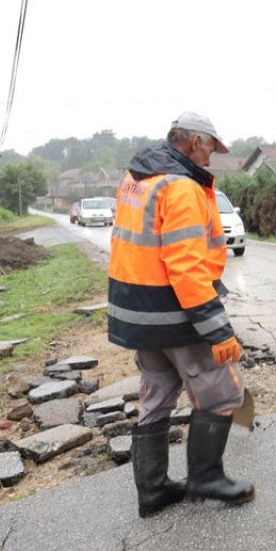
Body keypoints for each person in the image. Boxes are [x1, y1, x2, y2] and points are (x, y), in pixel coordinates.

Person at [107, 111, 255, 516]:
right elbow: (186, 267)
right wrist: (217, 329)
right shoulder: (182, 188)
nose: (211, 158)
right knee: (222, 392)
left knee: (156, 395)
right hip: (176, 312)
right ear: (193, 143)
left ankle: (152, 491)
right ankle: (207, 477)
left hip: (136, 311)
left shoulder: (136, 177)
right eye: (210, 148)